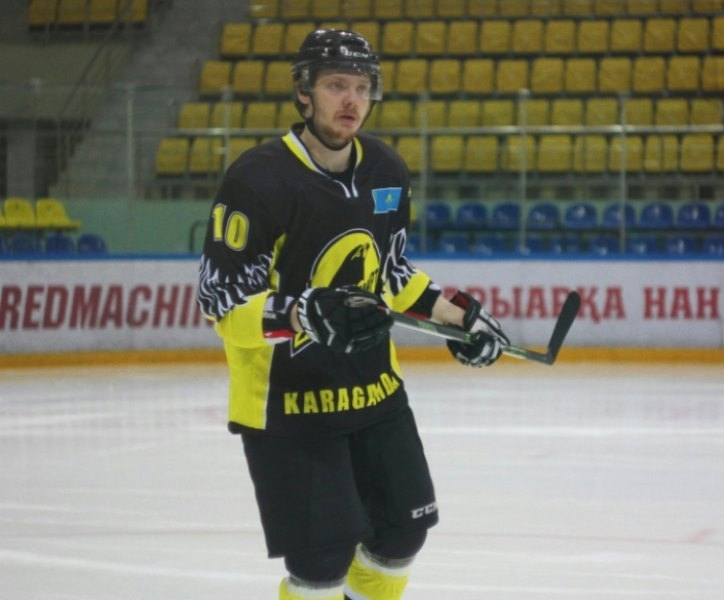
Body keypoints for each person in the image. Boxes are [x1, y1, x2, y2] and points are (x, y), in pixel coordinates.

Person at [197, 29, 509, 600]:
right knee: (320, 564)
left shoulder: (386, 170)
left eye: (362, 88)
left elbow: (392, 273)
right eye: (336, 85)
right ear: (304, 92)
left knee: (402, 535)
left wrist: (458, 317)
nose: (352, 100)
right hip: (288, 403)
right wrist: (302, 313)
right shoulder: (257, 180)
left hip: (374, 390)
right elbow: (222, 301)